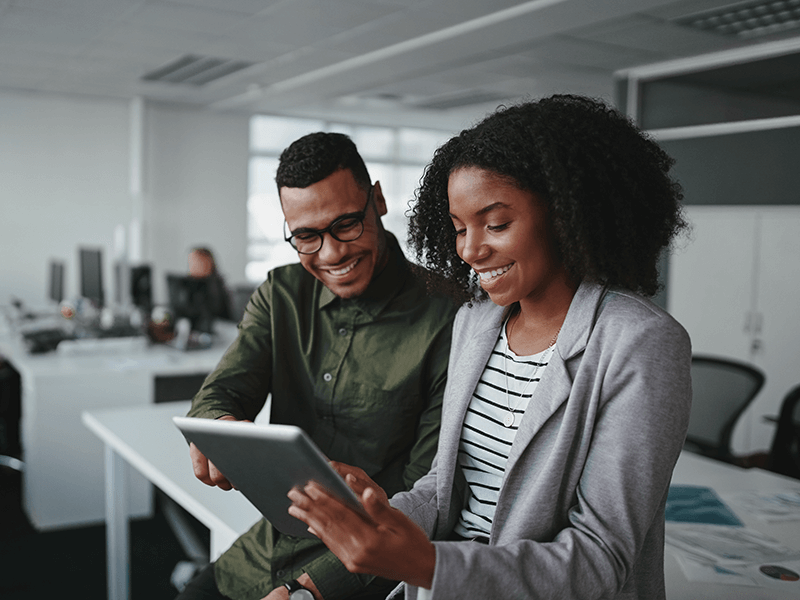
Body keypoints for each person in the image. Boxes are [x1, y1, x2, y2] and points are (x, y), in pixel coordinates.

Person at [287, 95, 693, 600]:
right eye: (459, 229)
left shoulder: (640, 343)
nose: (470, 250)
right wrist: (369, 519)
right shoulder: (475, 322)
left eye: (496, 224)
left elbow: (599, 560)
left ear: (565, 212)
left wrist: (430, 563)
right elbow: (443, 489)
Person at [178, 132, 457, 600]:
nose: (332, 254)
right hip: (270, 547)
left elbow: (427, 492)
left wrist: (311, 591)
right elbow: (217, 394)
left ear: (379, 200)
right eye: (306, 236)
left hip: (367, 568)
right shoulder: (281, 292)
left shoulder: (450, 315)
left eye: (347, 224)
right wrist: (215, 428)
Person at [188, 246, 235, 322]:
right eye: (191, 262)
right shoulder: (188, 284)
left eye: (197, 261)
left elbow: (211, 314)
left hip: (220, 326)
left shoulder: (216, 285)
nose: (193, 266)